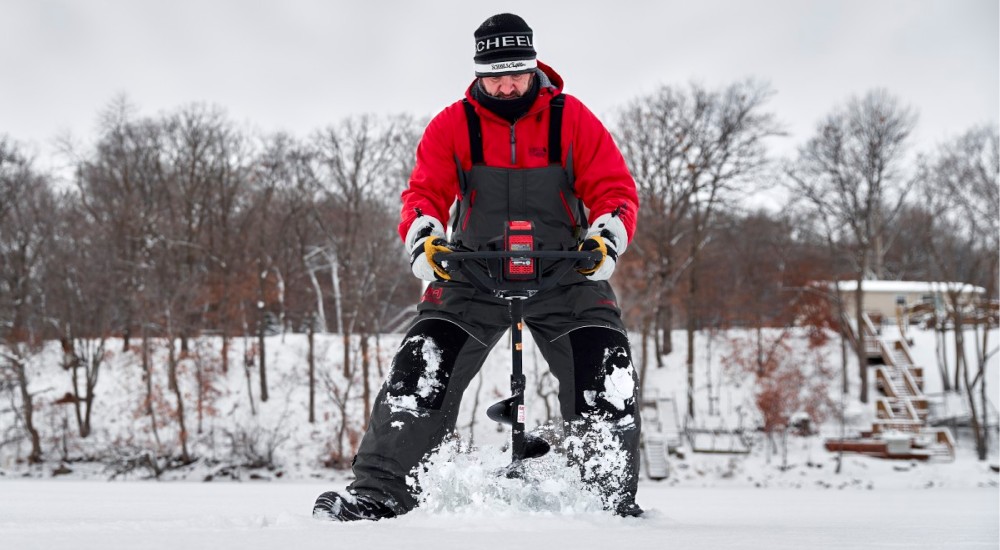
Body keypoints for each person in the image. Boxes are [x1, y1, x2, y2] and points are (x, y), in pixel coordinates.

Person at [313, 13, 641, 521]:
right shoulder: (453, 124)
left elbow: (613, 190)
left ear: (534, 67)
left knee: (607, 369)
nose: (507, 85)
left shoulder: (571, 118)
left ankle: (605, 504)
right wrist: (425, 240)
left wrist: (606, 237)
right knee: (420, 367)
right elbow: (424, 194)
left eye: (517, 71)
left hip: (566, 271)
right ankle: (381, 494)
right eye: (495, 74)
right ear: (477, 73)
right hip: (471, 272)